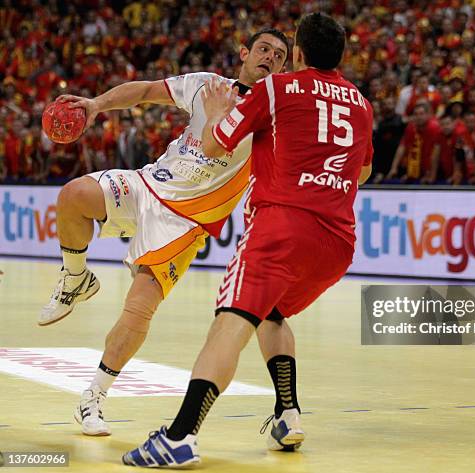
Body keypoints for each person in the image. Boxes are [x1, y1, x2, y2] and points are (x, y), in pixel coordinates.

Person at [122, 12, 373, 468]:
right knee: (272, 314)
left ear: (297, 55)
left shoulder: (276, 89)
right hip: (337, 241)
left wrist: (218, 114)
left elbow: (217, 144)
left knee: (230, 324)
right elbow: (364, 170)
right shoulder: (360, 103)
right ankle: (287, 413)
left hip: (281, 228)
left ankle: (180, 437)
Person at [38, 28, 289, 436]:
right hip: (149, 183)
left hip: (185, 221)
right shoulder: (207, 84)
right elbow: (146, 92)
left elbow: (222, 148)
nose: (271, 58)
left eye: (280, 56)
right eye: (264, 49)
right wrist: (97, 104)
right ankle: (75, 277)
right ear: (244, 52)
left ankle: (93, 397)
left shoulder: (274, 115)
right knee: (73, 196)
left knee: (138, 309)